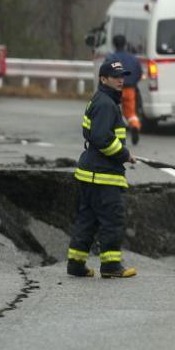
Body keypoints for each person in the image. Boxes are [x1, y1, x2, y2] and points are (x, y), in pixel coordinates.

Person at [67, 59, 138, 279]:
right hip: (103, 176)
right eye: (115, 77)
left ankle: (76, 264)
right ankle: (110, 266)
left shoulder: (100, 100)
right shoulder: (107, 104)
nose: (121, 80)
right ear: (103, 79)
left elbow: (96, 137)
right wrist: (125, 154)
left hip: (90, 173)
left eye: (122, 76)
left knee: (87, 220)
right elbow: (101, 138)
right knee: (112, 220)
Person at [106, 34, 143, 144]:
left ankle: (116, 137)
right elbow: (139, 73)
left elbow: (106, 72)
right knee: (131, 113)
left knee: (113, 113)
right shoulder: (133, 58)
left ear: (114, 44)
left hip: (115, 90)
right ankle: (135, 126)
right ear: (125, 43)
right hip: (130, 89)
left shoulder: (111, 58)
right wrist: (133, 83)